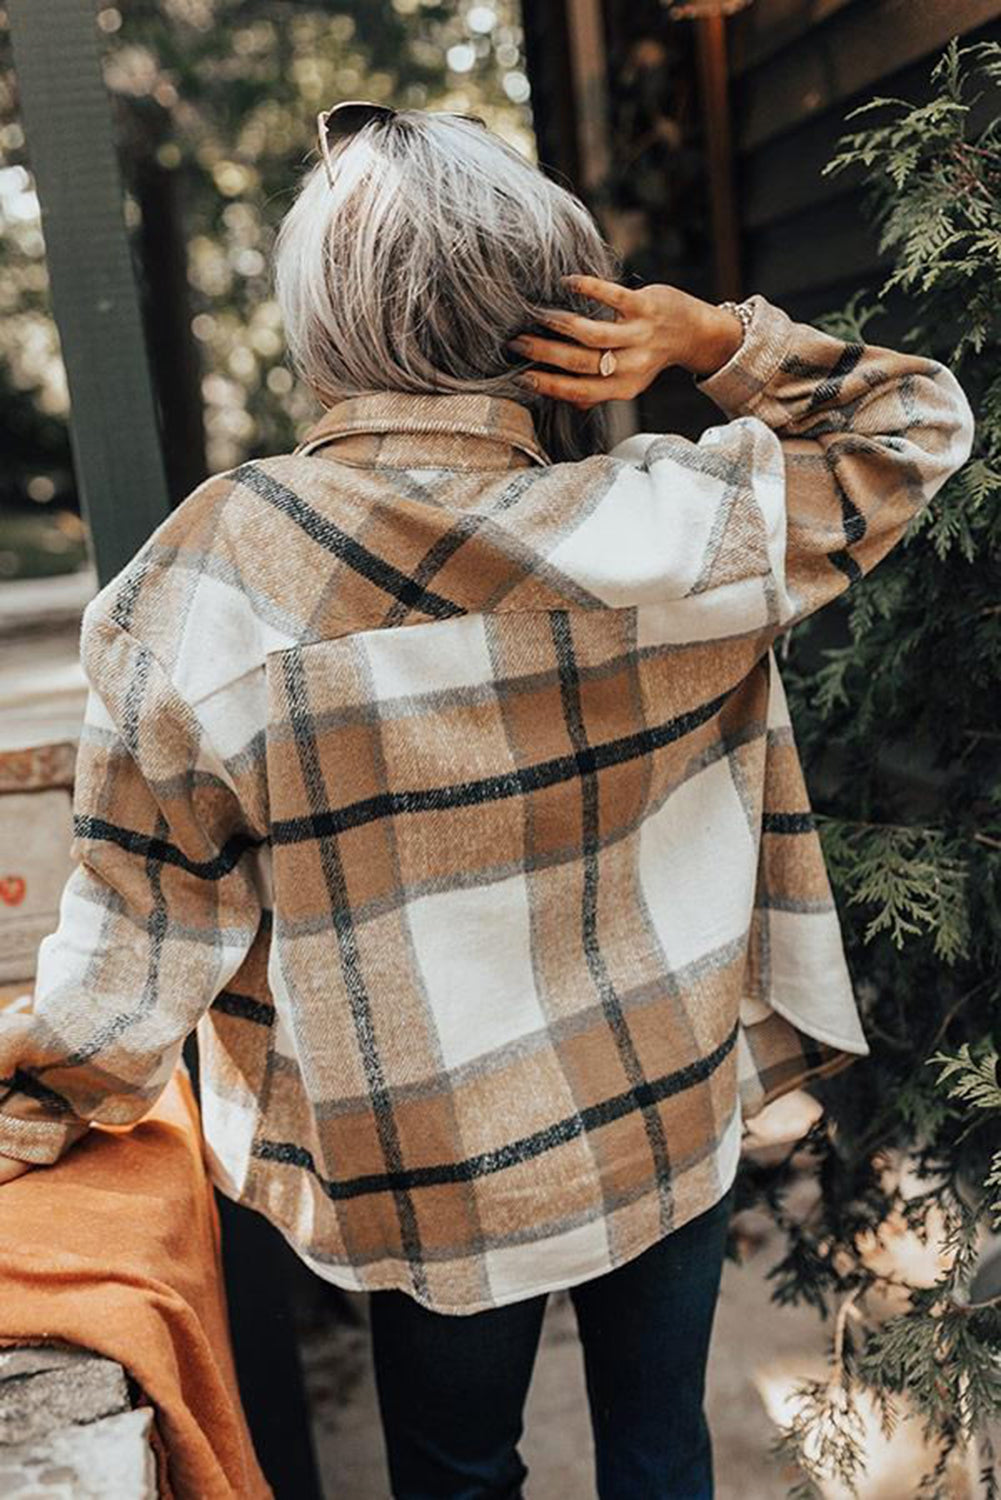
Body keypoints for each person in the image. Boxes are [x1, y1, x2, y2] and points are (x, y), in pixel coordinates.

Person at [0, 103, 973, 1499]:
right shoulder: (672, 525)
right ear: (563, 319)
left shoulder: (220, 569)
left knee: (457, 1475)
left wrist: (36, 1102)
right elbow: (911, 420)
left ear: (321, 318)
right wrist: (710, 339)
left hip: (428, 1155)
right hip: (663, 1092)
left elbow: (143, 924)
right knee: (661, 1449)